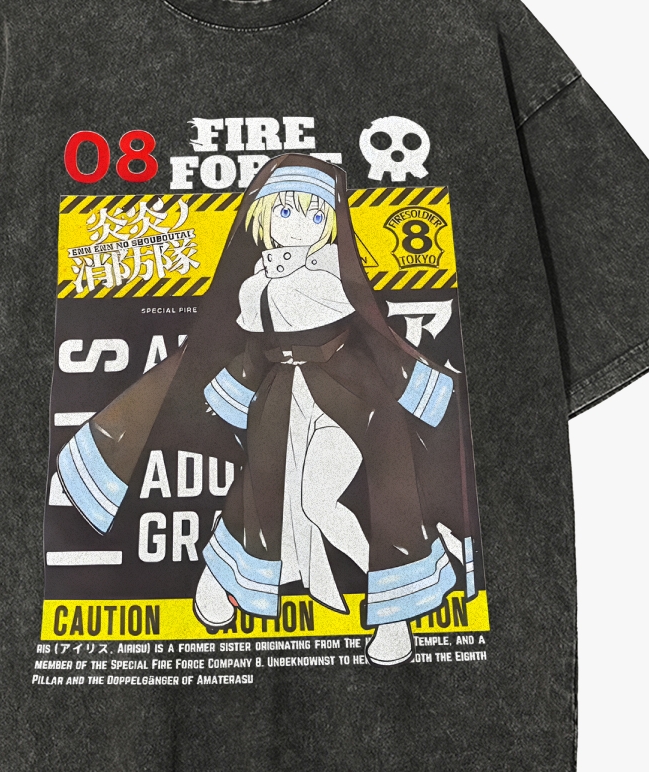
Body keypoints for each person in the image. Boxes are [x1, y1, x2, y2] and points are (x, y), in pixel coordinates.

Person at [58, 154, 477, 665]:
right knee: (262, 492)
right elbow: (253, 350)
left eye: (315, 215)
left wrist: (420, 388)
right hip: (282, 398)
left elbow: (375, 337)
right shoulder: (254, 287)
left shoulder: (334, 280)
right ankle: (222, 579)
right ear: (262, 218)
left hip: (354, 400)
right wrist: (227, 393)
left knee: (361, 499)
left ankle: (393, 613)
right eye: (286, 211)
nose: (300, 225)